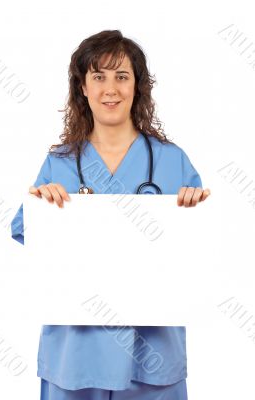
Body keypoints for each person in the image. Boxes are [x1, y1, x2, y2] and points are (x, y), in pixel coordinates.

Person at [11, 30, 211, 400]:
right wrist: (41, 205)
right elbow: (24, 231)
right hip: (75, 357)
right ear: (82, 87)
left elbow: (199, 245)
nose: (110, 89)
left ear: (138, 86)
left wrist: (195, 208)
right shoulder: (59, 163)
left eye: (122, 76)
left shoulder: (171, 160)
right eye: (98, 76)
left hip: (153, 359)